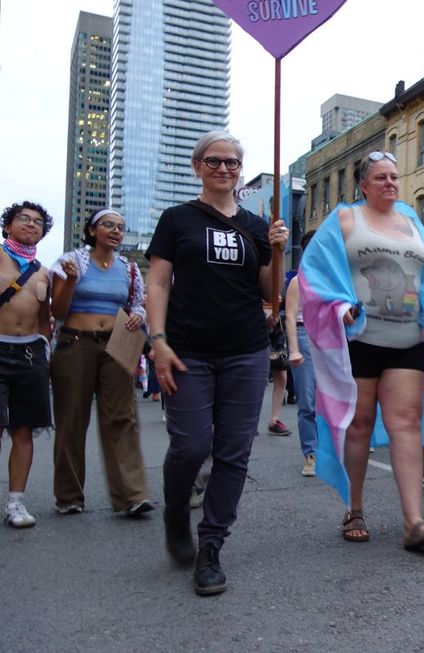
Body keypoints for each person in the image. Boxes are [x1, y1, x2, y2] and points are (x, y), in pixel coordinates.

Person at [298, 151, 424, 551]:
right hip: (361, 339)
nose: (390, 183)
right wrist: (339, 306)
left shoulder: (411, 221)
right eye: (380, 177)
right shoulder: (345, 219)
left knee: (407, 423)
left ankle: (414, 521)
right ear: (363, 184)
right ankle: (355, 508)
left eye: (395, 176)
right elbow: (314, 272)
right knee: (359, 425)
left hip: (408, 338)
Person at [145, 131, 288, 596]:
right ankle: (174, 512)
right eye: (214, 161)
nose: (224, 168)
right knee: (189, 446)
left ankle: (211, 546)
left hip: (245, 349)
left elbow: (271, 292)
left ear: (240, 171)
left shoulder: (255, 224)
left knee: (233, 452)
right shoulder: (177, 219)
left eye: (232, 163)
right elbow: (159, 284)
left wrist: (279, 250)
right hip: (187, 348)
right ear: (198, 165)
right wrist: (158, 339)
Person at [49, 209, 154, 517]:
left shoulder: (130, 268)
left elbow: (137, 302)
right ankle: (69, 496)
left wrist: (139, 315)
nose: (116, 230)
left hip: (116, 344)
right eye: (108, 225)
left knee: (123, 417)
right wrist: (69, 279)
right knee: (71, 419)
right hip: (75, 343)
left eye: (121, 226)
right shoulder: (72, 261)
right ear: (92, 230)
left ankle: (131, 496)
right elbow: (58, 310)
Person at [0, 202, 53, 528]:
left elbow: (46, 316)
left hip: (30, 354)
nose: (31, 224)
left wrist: (45, 345)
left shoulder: (44, 271)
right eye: (24, 218)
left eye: (38, 222)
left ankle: (15, 502)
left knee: (23, 430)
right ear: (7, 226)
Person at [285, 232, 318, 477]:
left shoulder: (333, 279)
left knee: (331, 400)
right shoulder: (299, 281)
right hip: (304, 335)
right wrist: (294, 349)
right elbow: (289, 317)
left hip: (329, 339)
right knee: (307, 402)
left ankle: (329, 452)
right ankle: (311, 454)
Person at [265, 302, 291, 436]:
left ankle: (275, 420)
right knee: (255, 376)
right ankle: (247, 420)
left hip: (277, 324)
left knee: (281, 374)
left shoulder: (283, 282)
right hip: (253, 320)